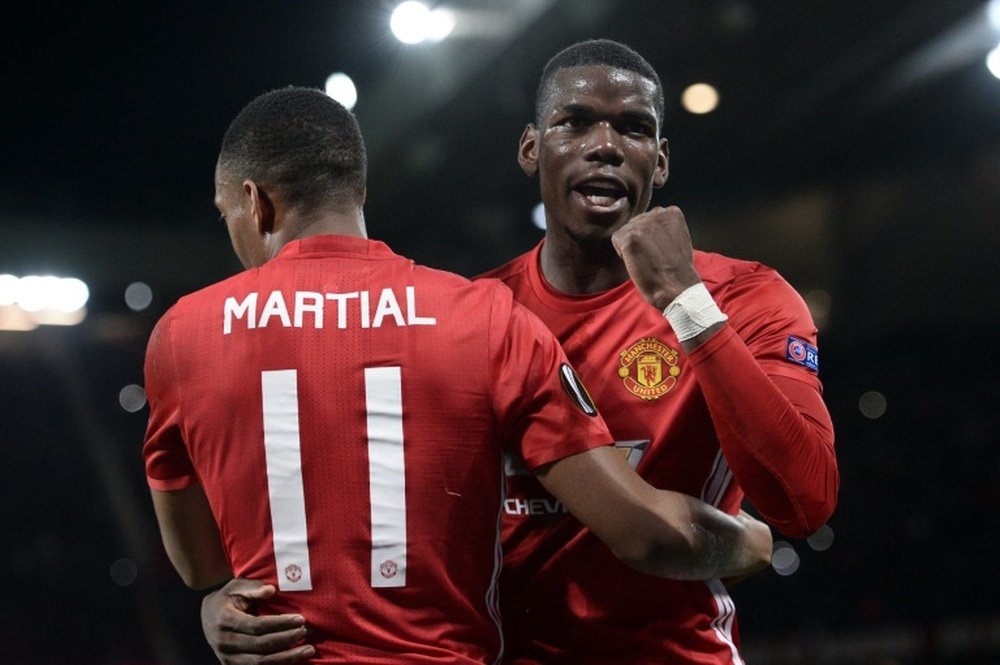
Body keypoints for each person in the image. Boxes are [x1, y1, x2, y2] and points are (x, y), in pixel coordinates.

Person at [200, 38, 839, 664]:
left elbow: (803, 503)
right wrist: (223, 601)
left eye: (634, 129)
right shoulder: (467, 316)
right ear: (532, 149)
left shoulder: (745, 297)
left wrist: (685, 302)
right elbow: (365, 518)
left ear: (660, 160)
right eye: (575, 122)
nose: (606, 147)